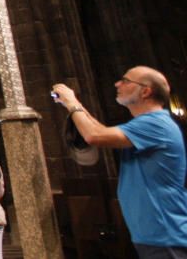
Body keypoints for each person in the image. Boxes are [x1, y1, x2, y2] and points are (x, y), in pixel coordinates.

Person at [53, 67, 187, 257]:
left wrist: (72, 102)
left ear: (146, 91)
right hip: (153, 233)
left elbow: (94, 135)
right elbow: (100, 130)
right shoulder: (145, 123)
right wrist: (75, 106)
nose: (117, 84)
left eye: (125, 81)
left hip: (166, 232)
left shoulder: (156, 123)